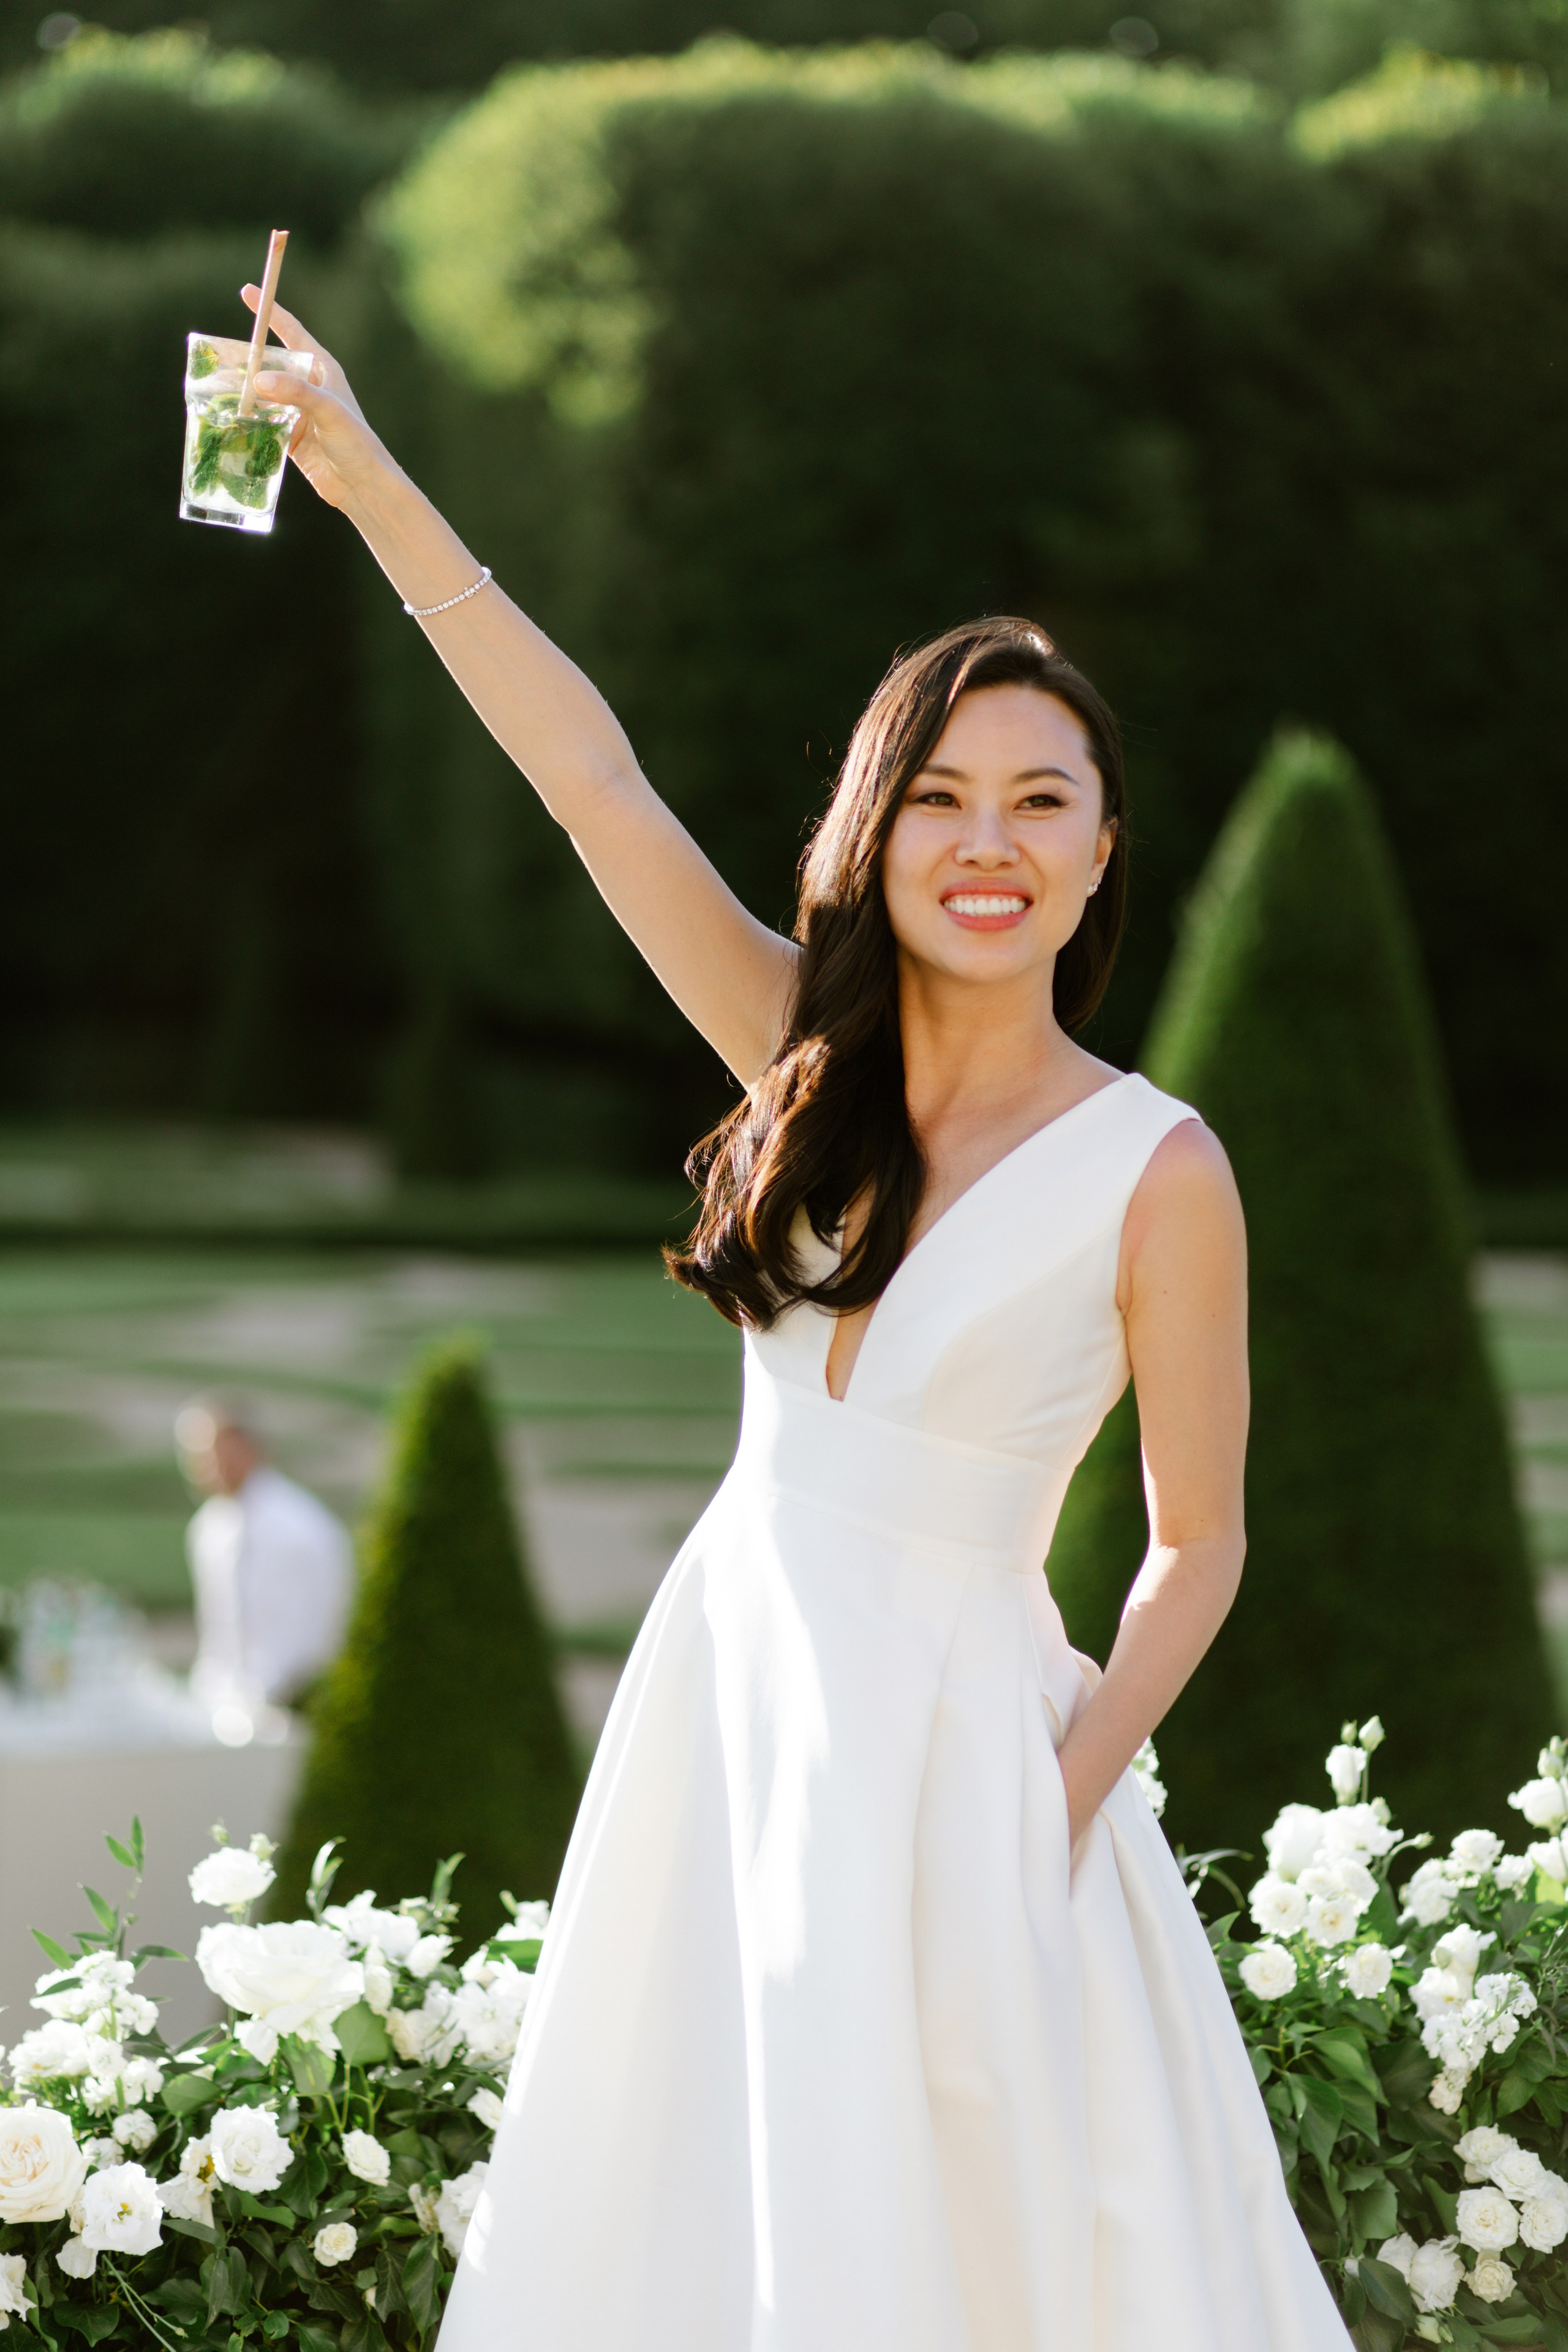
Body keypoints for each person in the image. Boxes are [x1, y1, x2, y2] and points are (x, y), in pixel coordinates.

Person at [247, 287, 1352, 2350]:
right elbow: (588, 779)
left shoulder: (1161, 1171)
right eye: (942, 795)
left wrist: (1064, 1792)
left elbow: (1204, 1543)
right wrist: (368, 473)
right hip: (734, 1700)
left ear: (1105, 854)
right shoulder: (795, 1059)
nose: (989, 843)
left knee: (963, 2240)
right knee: (702, 2218)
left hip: (976, 1768)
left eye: (1043, 801)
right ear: (877, 827)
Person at [176, 1401, 352, 1718]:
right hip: (227, 1708)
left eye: (214, 1451)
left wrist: (281, 1695)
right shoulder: (208, 1529)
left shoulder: (302, 1526)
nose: (205, 1466)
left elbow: (327, 1622)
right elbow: (218, 1631)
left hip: (295, 1707)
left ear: (248, 1447)